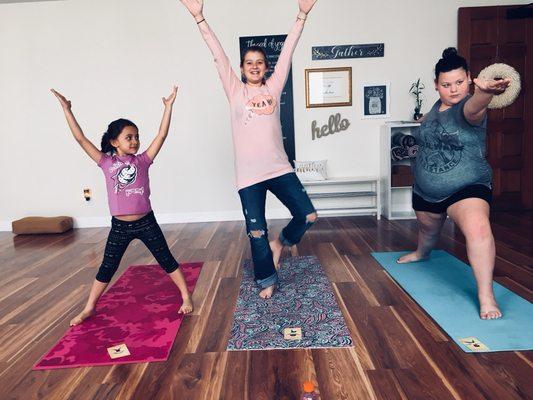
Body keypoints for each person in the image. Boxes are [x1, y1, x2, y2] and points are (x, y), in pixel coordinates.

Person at [179, 0, 318, 298]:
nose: (254, 66)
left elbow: (289, 49)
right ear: (242, 69)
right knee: (257, 233)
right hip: (249, 177)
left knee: (307, 215)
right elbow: (217, 55)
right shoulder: (235, 90)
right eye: (248, 63)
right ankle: (267, 279)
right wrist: (200, 18)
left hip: (280, 169)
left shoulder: (274, 86)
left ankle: (280, 243)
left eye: (259, 62)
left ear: (266, 68)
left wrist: (301, 16)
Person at [51, 86, 194, 326]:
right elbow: (80, 138)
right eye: (129, 137)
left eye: (137, 136)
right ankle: (89, 308)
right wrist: (67, 110)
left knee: (166, 259)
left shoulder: (143, 160)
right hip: (120, 226)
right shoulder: (105, 162)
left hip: (146, 222)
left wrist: (168, 108)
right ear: (114, 141)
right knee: (108, 266)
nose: (135, 141)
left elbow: (161, 135)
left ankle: (186, 295)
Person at [398, 48, 511, 319]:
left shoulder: (469, 108)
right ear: (436, 85)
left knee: (478, 230)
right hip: (426, 189)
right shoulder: (436, 108)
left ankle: (486, 297)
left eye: (460, 82)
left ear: (470, 79)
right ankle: (422, 253)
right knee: (428, 231)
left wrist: (486, 92)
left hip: (466, 186)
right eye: (446, 85)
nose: (454, 89)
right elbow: (435, 124)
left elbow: (475, 108)